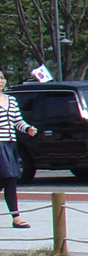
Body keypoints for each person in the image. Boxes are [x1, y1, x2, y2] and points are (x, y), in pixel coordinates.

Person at [0, 71, 37, 228]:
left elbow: (17, 121)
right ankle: (16, 216)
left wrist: (27, 128)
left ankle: (15, 216)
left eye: (2, 78)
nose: (0, 81)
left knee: (9, 178)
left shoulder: (11, 100)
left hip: (10, 144)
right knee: (9, 178)